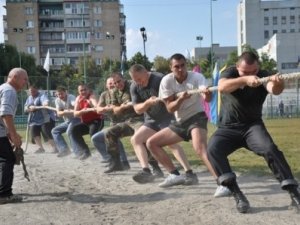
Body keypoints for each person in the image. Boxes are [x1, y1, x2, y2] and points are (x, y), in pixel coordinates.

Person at [207, 51, 300, 213]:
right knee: (213, 149)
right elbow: (222, 87)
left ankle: (294, 193)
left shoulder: (263, 75)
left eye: (254, 71)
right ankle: (237, 194)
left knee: (270, 149)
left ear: (258, 68)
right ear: (237, 67)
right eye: (245, 71)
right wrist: (245, 79)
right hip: (228, 128)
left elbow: (274, 90)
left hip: (252, 127)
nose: (251, 74)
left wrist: (278, 83)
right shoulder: (230, 72)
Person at [146, 53, 231, 196]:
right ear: (171, 68)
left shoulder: (197, 77)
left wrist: (207, 93)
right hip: (179, 121)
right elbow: (170, 108)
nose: (180, 69)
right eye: (176, 67)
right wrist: (181, 99)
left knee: (199, 148)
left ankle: (223, 183)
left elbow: (208, 98)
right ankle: (174, 174)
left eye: (183, 65)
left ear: (186, 65)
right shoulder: (167, 81)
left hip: (197, 117)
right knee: (151, 143)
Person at [129, 64, 198, 185]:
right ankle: (146, 171)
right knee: (136, 139)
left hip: (167, 117)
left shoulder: (159, 79)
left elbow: (174, 95)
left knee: (171, 144)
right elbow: (137, 109)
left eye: (139, 79)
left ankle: (190, 173)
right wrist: (148, 103)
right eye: (135, 80)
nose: (138, 82)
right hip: (151, 120)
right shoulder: (134, 86)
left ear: (146, 72)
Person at [103, 72, 144, 173]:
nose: (118, 84)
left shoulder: (133, 85)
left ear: (123, 79)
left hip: (141, 119)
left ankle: (154, 167)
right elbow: (115, 110)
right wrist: (123, 106)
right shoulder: (114, 91)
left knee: (140, 138)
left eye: (119, 81)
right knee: (109, 133)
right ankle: (117, 164)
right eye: (115, 83)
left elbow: (137, 103)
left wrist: (123, 106)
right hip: (128, 121)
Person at [0, 68, 28, 204]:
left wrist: (9, 134)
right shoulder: (9, 90)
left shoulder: (3, 88)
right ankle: (4, 194)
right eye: (25, 79)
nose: (26, 82)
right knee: (7, 159)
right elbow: (6, 114)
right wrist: (14, 134)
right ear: (15, 77)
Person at [91, 77, 130, 169]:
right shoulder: (104, 95)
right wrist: (105, 108)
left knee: (114, 135)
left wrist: (116, 107)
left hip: (126, 121)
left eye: (114, 83)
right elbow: (98, 110)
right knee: (95, 138)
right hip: (113, 123)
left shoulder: (121, 93)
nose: (112, 85)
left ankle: (124, 162)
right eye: (110, 83)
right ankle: (111, 160)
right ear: (106, 85)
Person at [72, 84, 104, 160]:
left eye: (85, 90)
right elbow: (75, 114)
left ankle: (105, 154)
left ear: (88, 90)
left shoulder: (92, 96)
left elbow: (96, 107)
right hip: (86, 122)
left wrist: (90, 104)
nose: (83, 92)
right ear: (78, 92)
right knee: (74, 131)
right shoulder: (78, 98)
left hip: (97, 121)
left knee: (93, 135)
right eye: (81, 90)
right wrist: (82, 111)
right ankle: (86, 152)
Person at [24, 84, 58, 154]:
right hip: (34, 120)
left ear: (37, 90)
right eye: (31, 91)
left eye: (33, 91)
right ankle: (41, 148)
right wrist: (29, 109)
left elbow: (45, 102)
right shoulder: (29, 98)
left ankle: (55, 147)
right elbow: (25, 108)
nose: (32, 92)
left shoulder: (42, 95)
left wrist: (44, 104)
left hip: (46, 118)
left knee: (46, 131)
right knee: (34, 132)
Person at [51, 86, 81, 157]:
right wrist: (67, 111)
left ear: (66, 92)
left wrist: (65, 111)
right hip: (68, 121)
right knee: (54, 131)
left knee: (69, 132)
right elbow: (59, 114)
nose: (60, 96)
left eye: (62, 94)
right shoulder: (57, 100)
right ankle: (64, 150)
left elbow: (76, 106)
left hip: (77, 119)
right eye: (58, 94)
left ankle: (78, 152)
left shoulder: (71, 97)